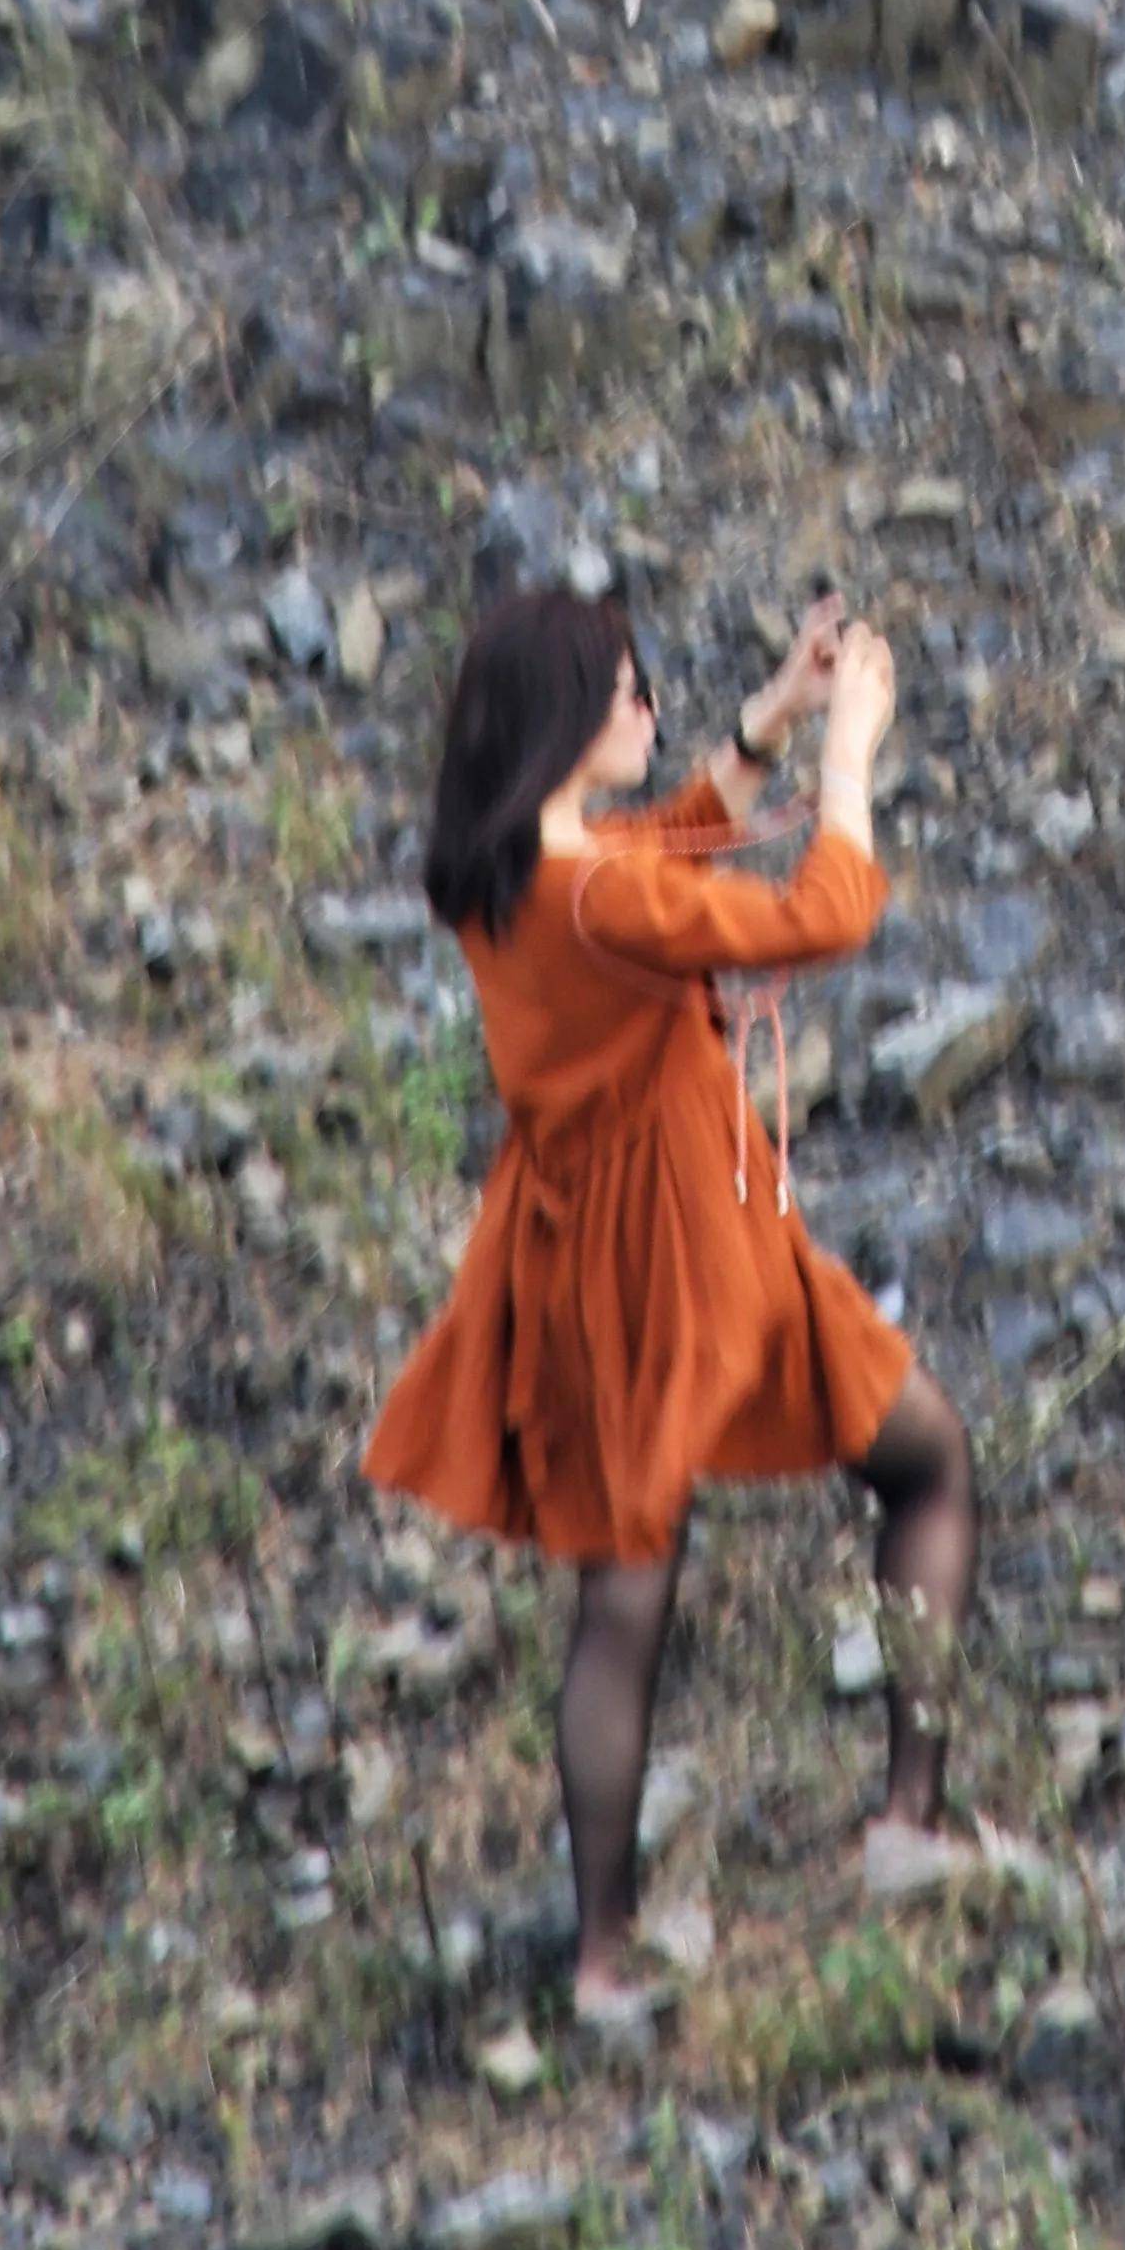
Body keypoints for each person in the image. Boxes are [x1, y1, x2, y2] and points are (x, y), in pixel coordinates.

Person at [365, 575, 975, 2026]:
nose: (648, 706)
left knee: (629, 1580)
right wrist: (847, 759)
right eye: (630, 688)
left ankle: (605, 1947)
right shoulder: (600, 887)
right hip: (684, 1243)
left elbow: (655, 842)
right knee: (910, 1468)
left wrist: (766, 716)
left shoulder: (517, 864)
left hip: (581, 1245)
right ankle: (896, 1820)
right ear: (571, 720)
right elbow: (824, 909)